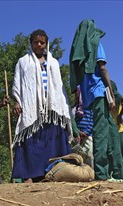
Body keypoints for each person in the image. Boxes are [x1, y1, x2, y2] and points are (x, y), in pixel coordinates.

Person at [70, 19, 123, 182]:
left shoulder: (79, 52)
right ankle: (102, 174)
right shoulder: (95, 44)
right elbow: (102, 68)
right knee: (102, 135)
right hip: (100, 95)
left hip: (90, 97)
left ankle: (120, 173)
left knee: (112, 134)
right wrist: (110, 89)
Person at [12, 29, 72, 183]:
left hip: (52, 108)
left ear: (46, 44)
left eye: (42, 42)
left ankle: (52, 174)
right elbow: (18, 83)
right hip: (32, 108)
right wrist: (17, 101)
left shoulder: (53, 62)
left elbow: (59, 87)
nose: (39, 45)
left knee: (52, 141)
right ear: (31, 43)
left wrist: (62, 107)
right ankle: (29, 176)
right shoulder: (23, 61)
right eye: (35, 42)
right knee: (31, 141)